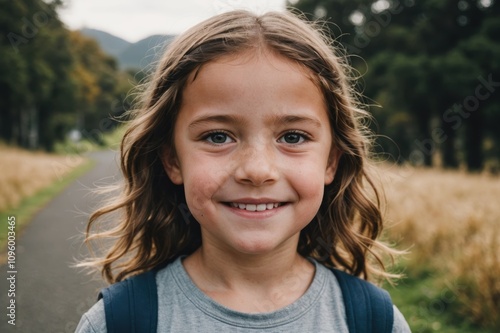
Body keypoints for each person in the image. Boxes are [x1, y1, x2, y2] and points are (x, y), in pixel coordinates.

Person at [75, 9, 411, 333]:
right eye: (218, 136)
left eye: (293, 137)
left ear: (331, 161)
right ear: (172, 160)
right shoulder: (117, 322)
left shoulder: (375, 321)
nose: (257, 170)